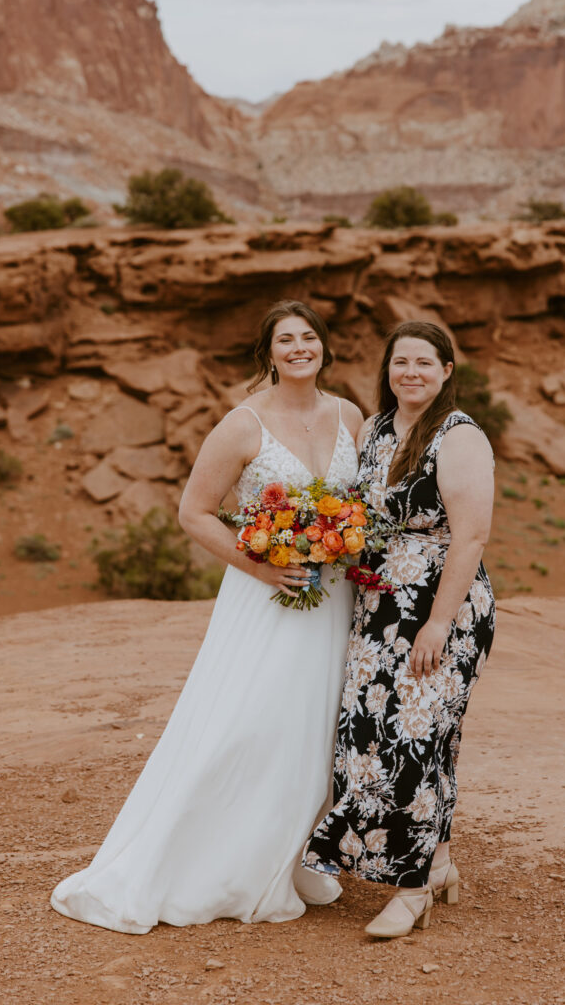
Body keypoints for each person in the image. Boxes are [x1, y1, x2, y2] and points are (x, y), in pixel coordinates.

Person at [50, 300, 362, 932]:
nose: (299, 348)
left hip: (332, 599)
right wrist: (264, 566)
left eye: (309, 338)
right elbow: (194, 512)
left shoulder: (351, 414)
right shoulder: (242, 425)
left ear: (324, 348)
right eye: (285, 340)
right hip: (265, 595)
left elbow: (360, 503)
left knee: (311, 727)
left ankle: (283, 858)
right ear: (268, 354)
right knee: (245, 722)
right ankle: (199, 864)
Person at [303, 320, 495, 938]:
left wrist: (438, 622)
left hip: (442, 608)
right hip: (379, 608)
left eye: (423, 362)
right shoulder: (379, 430)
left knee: (410, 739)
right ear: (387, 370)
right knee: (376, 732)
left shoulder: (459, 436)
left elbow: (470, 537)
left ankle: (409, 893)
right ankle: (436, 861)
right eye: (399, 362)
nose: (410, 372)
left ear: (445, 371)